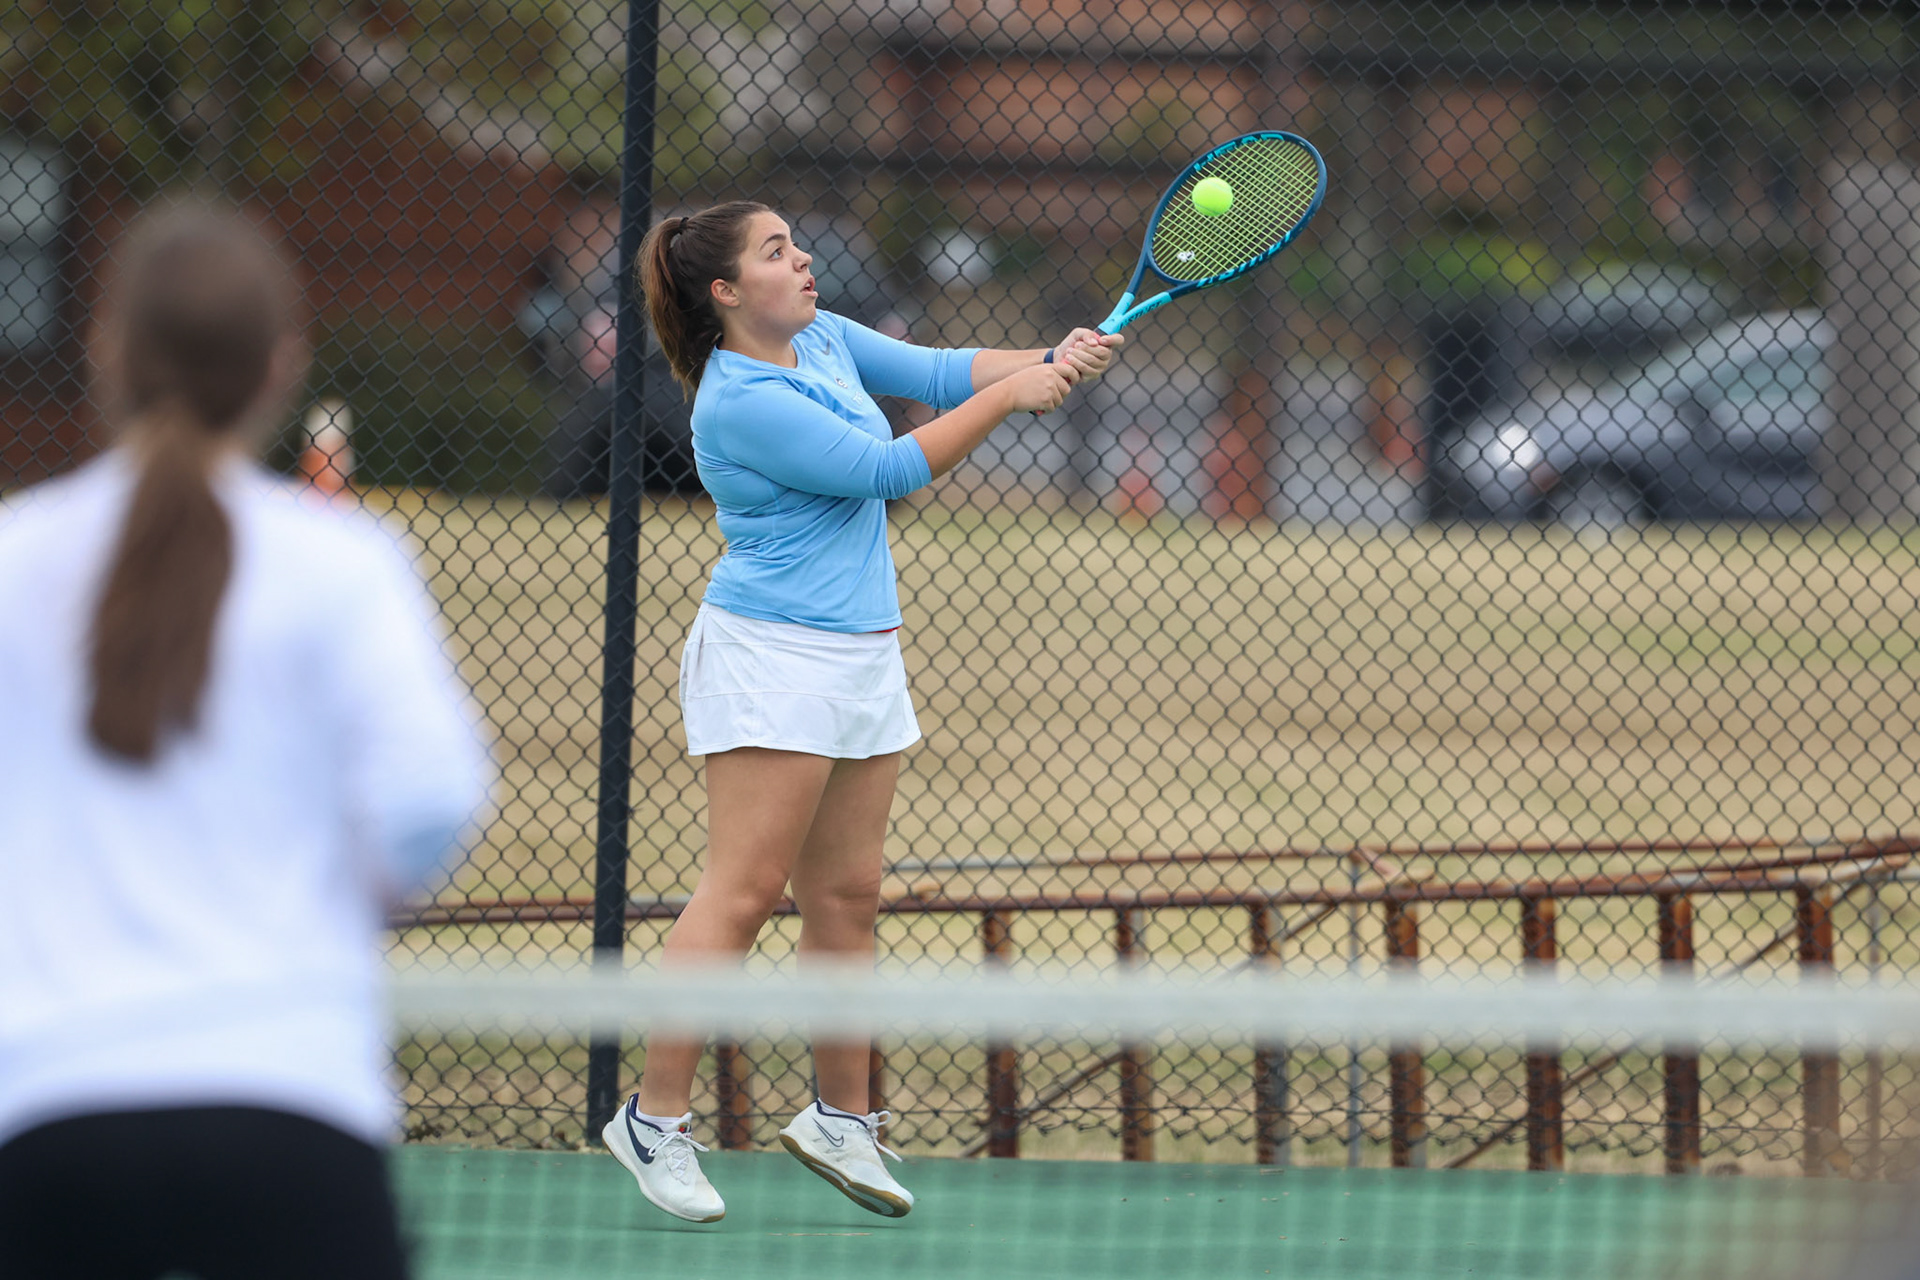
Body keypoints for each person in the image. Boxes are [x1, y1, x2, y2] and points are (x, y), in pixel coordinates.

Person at [603, 199, 1121, 1223]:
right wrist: (1017, 395)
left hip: (861, 654)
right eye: (776, 252)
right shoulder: (738, 397)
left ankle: (843, 1117)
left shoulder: (826, 337)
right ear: (724, 292)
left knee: (845, 896)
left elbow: (933, 372)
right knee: (745, 888)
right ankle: (652, 1118)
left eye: (797, 245)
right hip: (771, 656)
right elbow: (889, 472)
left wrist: (1047, 352)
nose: (803, 262)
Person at [0, 202, 489, 1278]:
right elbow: (428, 801)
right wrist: (329, 899)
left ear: (105, 350)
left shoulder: (14, 555)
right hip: (291, 1106)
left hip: (46, 1122)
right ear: (282, 368)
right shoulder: (347, 562)